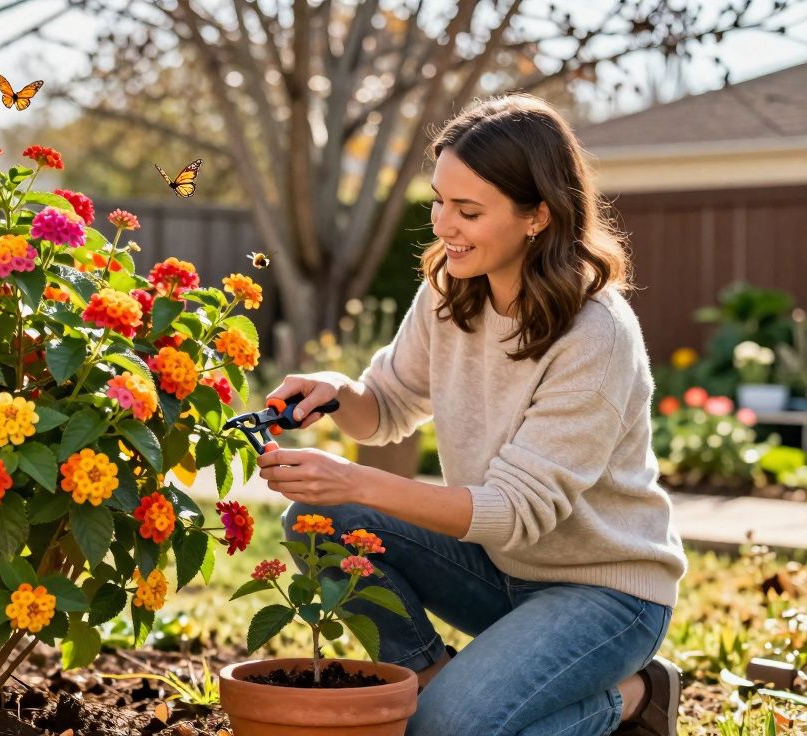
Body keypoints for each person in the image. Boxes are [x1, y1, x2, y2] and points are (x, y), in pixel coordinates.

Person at [258, 93, 686, 736]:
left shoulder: (597, 336)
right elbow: (389, 408)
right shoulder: (450, 290)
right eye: (438, 201)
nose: (442, 225)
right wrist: (339, 392)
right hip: (496, 570)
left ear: (537, 215)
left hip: (604, 594)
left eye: (468, 211)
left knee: (443, 732)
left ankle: (634, 699)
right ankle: (430, 677)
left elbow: (515, 512)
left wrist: (354, 479)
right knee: (319, 518)